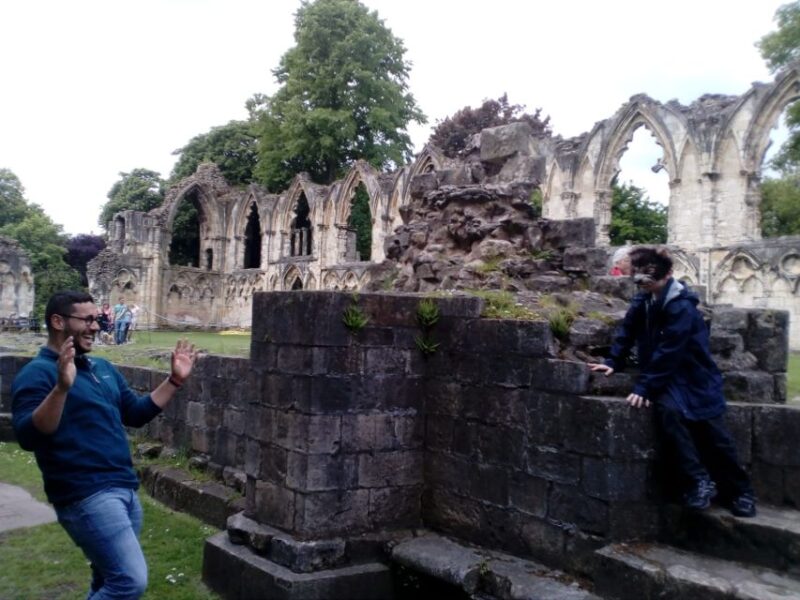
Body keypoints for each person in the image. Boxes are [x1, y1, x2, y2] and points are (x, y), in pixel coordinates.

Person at [11, 290, 197, 598]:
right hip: (86, 494)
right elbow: (29, 435)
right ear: (58, 322)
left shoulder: (102, 369)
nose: (96, 326)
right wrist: (61, 388)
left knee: (107, 580)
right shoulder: (37, 374)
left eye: (96, 319)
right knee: (129, 581)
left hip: (124, 488)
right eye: (87, 319)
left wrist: (175, 380)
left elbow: (136, 414)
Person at [588, 246, 756, 517]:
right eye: (638, 277)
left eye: (647, 277)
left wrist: (645, 387)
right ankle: (698, 481)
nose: (641, 283)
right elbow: (627, 332)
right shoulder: (643, 300)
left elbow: (671, 350)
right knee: (670, 416)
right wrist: (612, 361)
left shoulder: (681, 307)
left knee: (715, 434)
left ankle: (741, 492)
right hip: (669, 379)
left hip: (694, 376)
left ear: (665, 276)